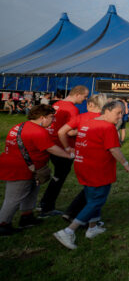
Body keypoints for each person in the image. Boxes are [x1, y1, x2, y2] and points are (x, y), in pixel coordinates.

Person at [53, 100, 129, 250]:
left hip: (82, 165)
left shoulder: (88, 123)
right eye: (118, 113)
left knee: (91, 198)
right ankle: (68, 231)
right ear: (107, 111)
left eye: (122, 113)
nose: (120, 117)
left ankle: (92, 227)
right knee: (97, 200)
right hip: (98, 169)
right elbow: (114, 149)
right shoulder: (108, 127)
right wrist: (126, 164)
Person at [0, 105, 74, 236]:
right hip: (20, 169)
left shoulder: (20, 126)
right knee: (14, 198)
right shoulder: (38, 131)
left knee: (31, 191)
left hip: (24, 166)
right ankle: (3, 224)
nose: (53, 120)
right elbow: (51, 148)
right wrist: (68, 155)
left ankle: (27, 217)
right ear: (42, 117)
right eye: (51, 117)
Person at [56, 94, 108, 222]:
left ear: (90, 104)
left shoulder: (81, 117)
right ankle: (85, 219)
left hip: (81, 158)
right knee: (96, 189)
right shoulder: (104, 119)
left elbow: (63, 132)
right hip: (97, 158)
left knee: (88, 187)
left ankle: (73, 213)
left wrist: (67, 148)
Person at [38, 85, 89, 217]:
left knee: (54, 175)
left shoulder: (57, 104)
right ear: (77, 94)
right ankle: (46, 207)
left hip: (50, 143)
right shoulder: (72, 109)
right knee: (59, 176)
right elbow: (70, 132)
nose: (85, 99)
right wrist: (86, 128)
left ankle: (43, 204)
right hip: (63, 146)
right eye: (84, 96)